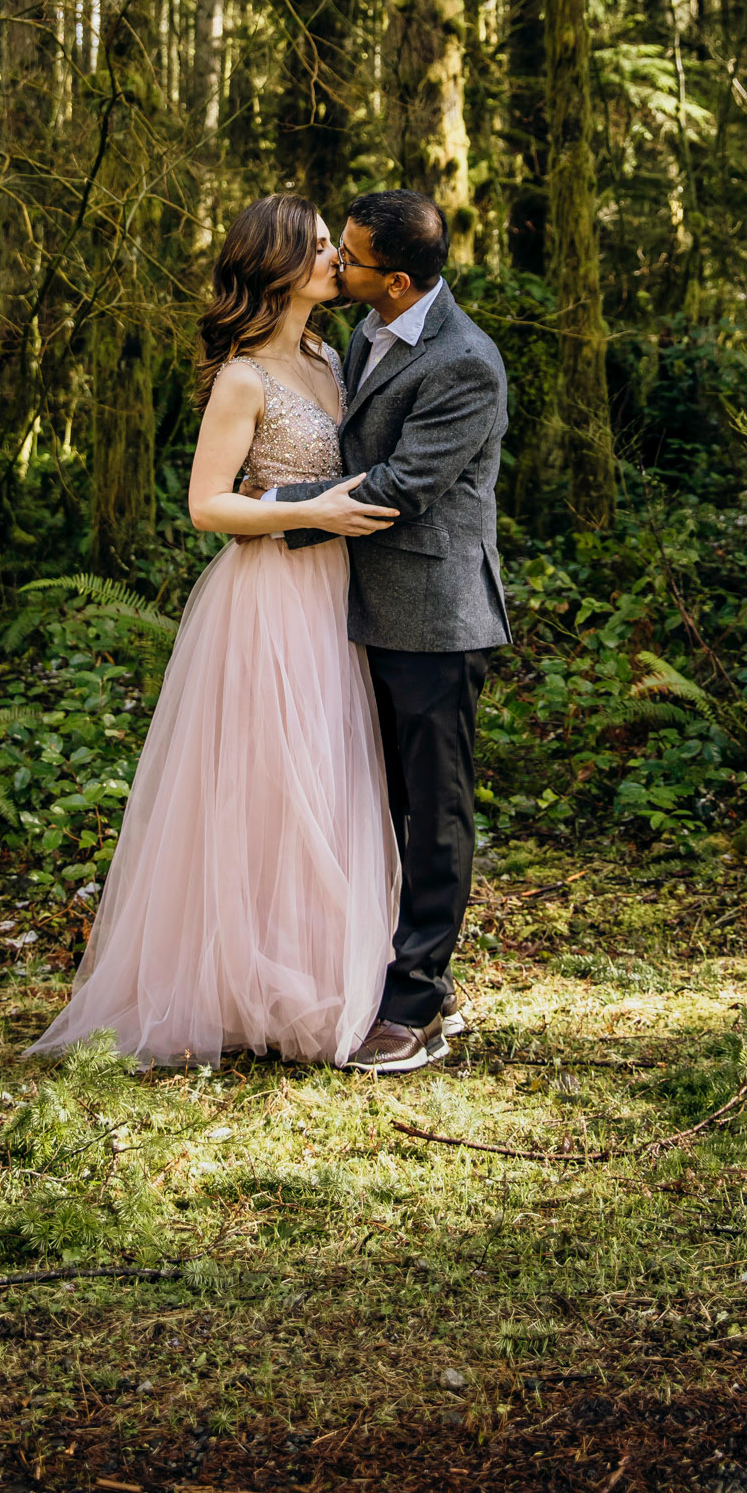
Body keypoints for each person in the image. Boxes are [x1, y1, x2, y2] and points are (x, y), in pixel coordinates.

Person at [25, 195, 401, 1071]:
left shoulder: (327, 354)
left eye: (329, 249)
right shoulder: (242, 378)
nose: (331, 261)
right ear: (272, 267)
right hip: (269, 599)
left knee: (332, 776)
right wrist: (313, 507)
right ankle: (249, 984)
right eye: (314, 249)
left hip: (334, 590)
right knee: (274, 784)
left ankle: (319, 971)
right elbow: (206, 505)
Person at [261, 189, 510, 1074]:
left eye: (350, 259)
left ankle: (416, 1005)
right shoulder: (365, 331)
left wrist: (262, 509)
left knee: (431, 814)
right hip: (347, 604)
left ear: (395, 280)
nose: (335, 267)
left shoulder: (465, 362)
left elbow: (401, 486)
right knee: (367, 799)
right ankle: (363, 967)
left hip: (433, 618)